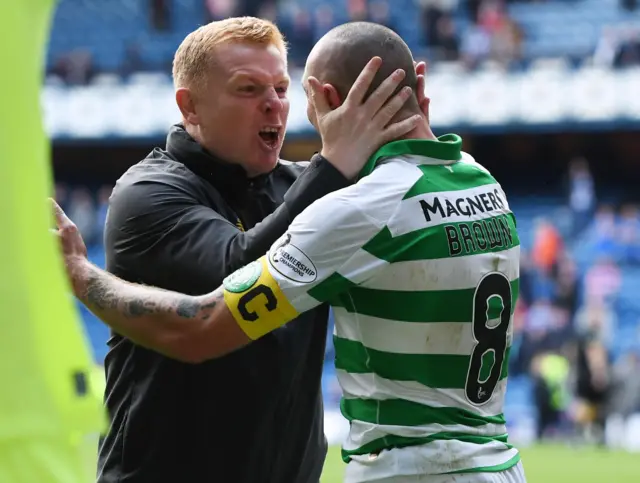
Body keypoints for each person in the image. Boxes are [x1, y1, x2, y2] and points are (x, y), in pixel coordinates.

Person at [54, 22, 525, 483]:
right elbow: (232, 270)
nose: (274, 105)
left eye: (282, 88)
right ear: (189, 106)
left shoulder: (338, 198)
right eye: (248, 89)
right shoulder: (149, 193)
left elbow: (375, 197)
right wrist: (337, 165)